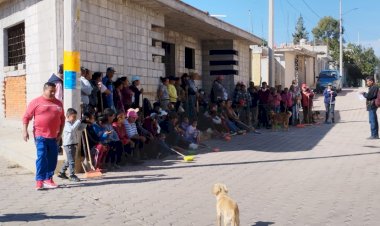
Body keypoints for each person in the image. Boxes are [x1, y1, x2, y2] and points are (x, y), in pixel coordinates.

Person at [22, 82, 65, 190]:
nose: (53, 93)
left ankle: (48, 178)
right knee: (42, 157)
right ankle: (39, 180)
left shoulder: (58, 103)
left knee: (53, 158)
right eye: (51, 91)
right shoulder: (36, 102)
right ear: (44, 90)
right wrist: (24, 131)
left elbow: (62, 119)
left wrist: (60, 133)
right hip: (40, 135)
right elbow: (26, 117)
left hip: (54, 136)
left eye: (54, 91)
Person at [57, 108, 87, 182]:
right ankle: (72, 175)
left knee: (69, 160)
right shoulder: (66, 124)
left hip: (73, 144)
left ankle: (62, 172)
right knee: (72, 161)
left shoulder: (73, 124)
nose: (74, 119)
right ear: (68, 116)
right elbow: (72, 129)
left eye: (75, 117)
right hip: (68, 145)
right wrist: (79, 121)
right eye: (73, 117)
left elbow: (80, 128)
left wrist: (84, 122)